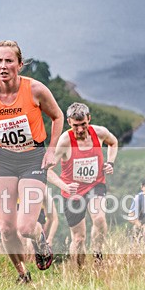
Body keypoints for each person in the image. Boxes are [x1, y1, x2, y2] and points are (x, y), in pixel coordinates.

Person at [0, 40, 64, 284]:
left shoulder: (35, 89)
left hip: (33, 158)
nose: (3, 66)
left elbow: (58, 117)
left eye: (9, 61)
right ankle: (22, 274)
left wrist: (51, 152)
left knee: (25, 227)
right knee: (6, 228)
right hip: (4, 160)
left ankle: (40, 240)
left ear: (20, 64)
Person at [47, 102, 118, 266]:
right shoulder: (65, 141)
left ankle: (98, 257)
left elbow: (113, 142)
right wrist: (63, 186)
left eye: (83, 124)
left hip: (95, 185)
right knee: (78, 239)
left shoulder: (99, 133)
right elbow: (48, 171)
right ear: (69, 122)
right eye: (76, 126)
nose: (80, 130)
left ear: (89, 120)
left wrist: (110, 162)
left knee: (99, 219)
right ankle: (79, 273)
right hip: (72, 193)